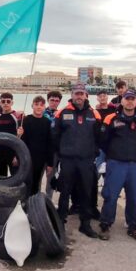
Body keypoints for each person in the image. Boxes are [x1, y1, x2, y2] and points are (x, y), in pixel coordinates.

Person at [97, 90, 136, 242]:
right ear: (122, 101)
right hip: (116, 163)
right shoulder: (111, 118)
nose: (130, 102)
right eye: (127, 99)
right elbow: (103, 140)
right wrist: (109, 158)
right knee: (110, 196)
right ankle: (105, 224)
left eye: (133, 99)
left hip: (135, 165)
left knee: (134, 196)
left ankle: (134, 226)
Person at [52, 83, 101, 237]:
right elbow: (55, 136)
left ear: (86, 95)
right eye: (76, 93)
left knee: (86, 191)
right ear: (72, 95)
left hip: (86, 161)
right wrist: (59, 155)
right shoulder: (61, 113)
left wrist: (94, 154)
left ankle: (85, 224)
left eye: (81, 93)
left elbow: (99, 136)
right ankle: (60, 221)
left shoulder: (94, 114)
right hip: (68, 160)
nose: (79, 96)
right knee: (64, 191)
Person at [17, 96, 52, 195]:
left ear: (45, 107)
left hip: (41, 158)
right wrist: (19, 134)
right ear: (32, 106)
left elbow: (50, 143)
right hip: (26, 156)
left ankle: (33, 204)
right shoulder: (24, 120)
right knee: (25, 182)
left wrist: (50, 163)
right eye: (36, 104)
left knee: (36, 183)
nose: (39, 107)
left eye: (41, 105)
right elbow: (18, 141)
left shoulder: (48, 123)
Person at [0, 92, 20, 177]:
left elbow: (20, 137)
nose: (5, 103)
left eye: (8, 101)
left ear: (12, 103)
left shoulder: (17, 116)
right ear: (0, 103)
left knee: (15, 178)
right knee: (0, 178)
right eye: (3, 101)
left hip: (13, 152)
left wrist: (17, 155)